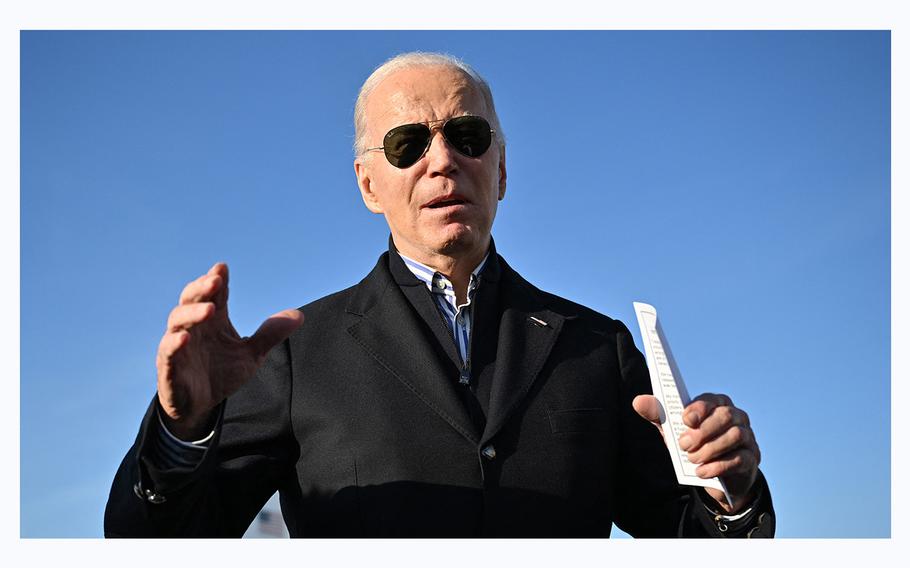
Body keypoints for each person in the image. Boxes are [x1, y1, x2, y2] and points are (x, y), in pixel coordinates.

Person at [104, 52, 774, 537]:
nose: (443, 159)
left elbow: (691, 534)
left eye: (468, 135)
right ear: (369, 184)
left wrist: (732, 495)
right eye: (408, 143)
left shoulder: (596, 348)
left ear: (502, 171)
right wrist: (181, 432)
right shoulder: (297, 355)